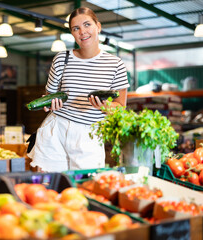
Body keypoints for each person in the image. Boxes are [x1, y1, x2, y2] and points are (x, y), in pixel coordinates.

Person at [28, 7, 130, 172]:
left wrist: (104, 106)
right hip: (56, 130)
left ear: (98, 26)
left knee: (84, 186)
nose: (82, 32)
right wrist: (49, 103)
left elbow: (121, 108)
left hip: (90, 134)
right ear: (72, 33)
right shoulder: (62, 59)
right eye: (76, 28)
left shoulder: (116, 64)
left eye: (87, 25)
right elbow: (49, 97)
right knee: (50, 187)